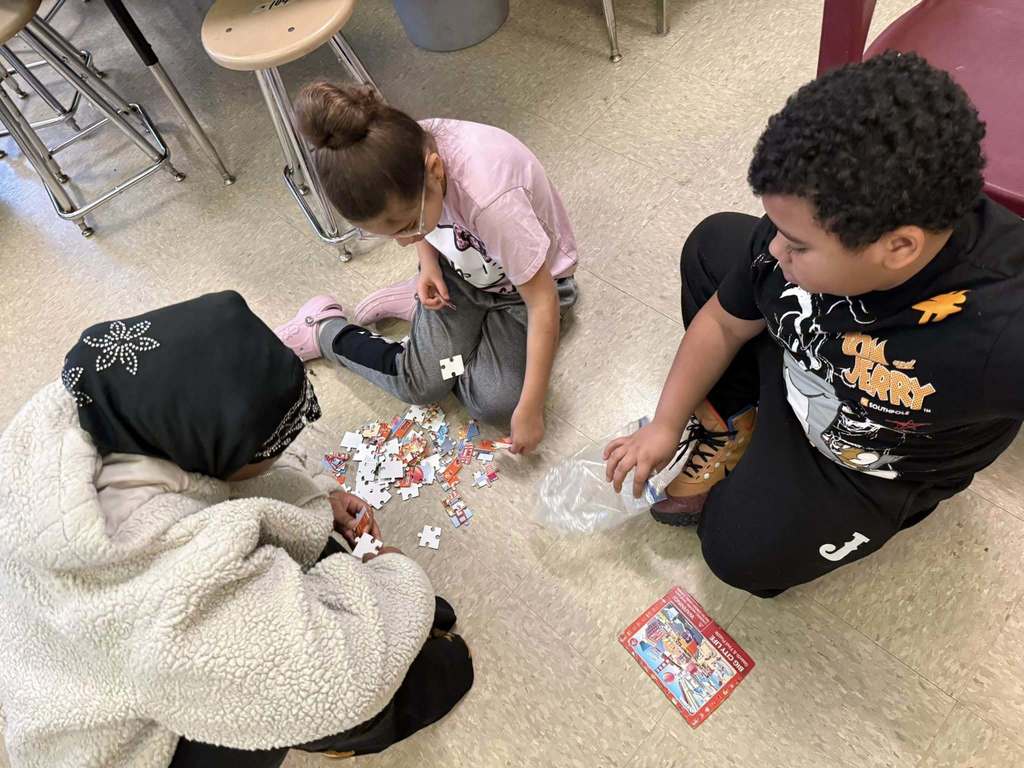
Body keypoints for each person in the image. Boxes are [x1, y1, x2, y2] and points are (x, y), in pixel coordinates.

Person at [604, 51, 1024, 597]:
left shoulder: (999, 327)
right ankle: (738, 416)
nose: (775, 247)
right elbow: (725, 324)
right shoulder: (802, 231)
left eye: (798, 244)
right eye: (777, 227)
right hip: (805, 369)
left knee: (735, 554)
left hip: (863, 461)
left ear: (898, 247)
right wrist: (664, 424)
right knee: (713, 245)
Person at [0, 292, 472, 768]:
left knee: (316, 543)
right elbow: (334, 677)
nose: (288, 446)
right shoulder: (167, 589)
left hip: (66, 650)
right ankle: (346, 736)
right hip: (117, 747)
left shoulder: (99, 395)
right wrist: (390, 569)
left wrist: (318, 495)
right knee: (414, 677)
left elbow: (218, 475)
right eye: (273, 443)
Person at [273, 82, 579, 455]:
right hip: (459, 272)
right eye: (390, 234)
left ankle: (429, 341)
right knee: (420, 386)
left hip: (525, 291)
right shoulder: (395, 155)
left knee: (495, 404)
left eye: (406, 227)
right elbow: (420, 218)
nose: (403, 241)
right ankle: (325, 331)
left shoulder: (491, 201)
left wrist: (531, 409)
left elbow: (543, 301)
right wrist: (428, 260)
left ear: (434, 169)